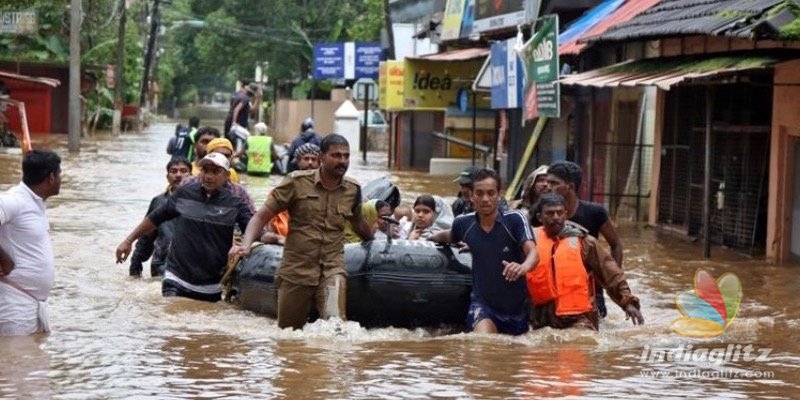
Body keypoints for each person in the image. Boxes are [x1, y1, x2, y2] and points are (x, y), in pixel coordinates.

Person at [231, 134, 374, 329]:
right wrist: (246, 246)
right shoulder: (296, 183)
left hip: (332, 268)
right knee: (289, 333)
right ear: (322, 157)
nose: (342, 161)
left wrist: (376, 243)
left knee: (336, 327)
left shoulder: (352, 189)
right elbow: (260, 217)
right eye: (337, 155)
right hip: (296, 270)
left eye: (346, 156)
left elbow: (358, 223)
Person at [116, 153, 255, 302]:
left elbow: (254, 228)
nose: (208, 176)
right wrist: (128, 241)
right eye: (205, 171)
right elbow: (155, 218)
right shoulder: (184, 194)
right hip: (176, 278)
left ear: (227, 175)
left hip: (211, 285)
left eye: (215, 172)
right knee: (172, 318)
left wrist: (267, 239)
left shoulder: (235, 203)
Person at [430, 168, 538, 336]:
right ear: (471, 195)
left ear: (499, 194)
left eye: (491, 193)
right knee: (484, 345)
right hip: (483, 307)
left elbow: (533, 253)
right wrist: (426, 238)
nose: (485, 199)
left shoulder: (515, 219)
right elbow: (448, 236)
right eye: (479, 193)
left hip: (517, 310)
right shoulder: (463, 223)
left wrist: (523, 267)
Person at [527, 192, 644, 330]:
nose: (556, 218)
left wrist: (628, 302)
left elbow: (611, 273)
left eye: (559, 213)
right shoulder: (528, 242)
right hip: (539, 318)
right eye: (550, 213)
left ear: (566, 214)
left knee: (580, 343)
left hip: (577, 318)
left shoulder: (585, 243)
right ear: (540, 217)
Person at [545, 161, 624, 318]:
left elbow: (616, 245)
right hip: (555, 287)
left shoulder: (595, 212)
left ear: (571, 187)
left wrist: (612, 279)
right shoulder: (542, 213)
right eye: (547, 182)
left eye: (554, 183)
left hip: (591, 288)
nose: (548, 187)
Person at [0, 150, 62, 335]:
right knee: (15, 362)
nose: (61, 180)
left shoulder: (36, 203)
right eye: (59, 174)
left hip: (33, 303)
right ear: (51, 177)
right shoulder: (14, 200)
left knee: (34, 361)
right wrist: (4, 259)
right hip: (13, 301)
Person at [128, 157, 192, 278]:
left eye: (184, 171)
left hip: (190, 267)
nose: (178, 175)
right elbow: (146, 237)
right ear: (167, 177)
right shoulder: (159, 202)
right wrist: (135, 268)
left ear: (192, 176)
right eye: (174, 171)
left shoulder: (200, 201)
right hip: (162, 267)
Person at [259, 142, 321, 245]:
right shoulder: (285, 187)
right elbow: (267, 219)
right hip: (285, 237)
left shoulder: (325, 188)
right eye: (306, 159)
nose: (310, 162)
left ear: (319, 163)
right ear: (298, 162)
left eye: (313, 159)